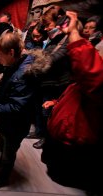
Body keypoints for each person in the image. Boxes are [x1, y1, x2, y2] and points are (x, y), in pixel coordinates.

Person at [41, 11, 103, 194]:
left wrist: (73, 33)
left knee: (68, 186)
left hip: (77, 144)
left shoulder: (94, 81)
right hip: (67, 136)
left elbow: (91, 73)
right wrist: (57, 102)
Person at [0, 32, 50, 189]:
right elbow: (3, 84)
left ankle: (3, 178)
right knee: (2, 140)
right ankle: (1, 158)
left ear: (11, 52)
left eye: (0, 56)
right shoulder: (15, 64)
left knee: (10, 150)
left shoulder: (25, 74)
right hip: (7, 119)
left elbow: (17, 106)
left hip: (16, 122)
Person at [32, 5, 72, 149]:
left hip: (57, 83)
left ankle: (47, 138)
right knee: (39, 109)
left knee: (48, 112)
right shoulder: (53, 38)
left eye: (48, 24)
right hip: (47, 81)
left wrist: (34, 60)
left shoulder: (66, 39)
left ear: (60, 21)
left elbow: (53, 58)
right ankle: (39, 132)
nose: (46, 28)